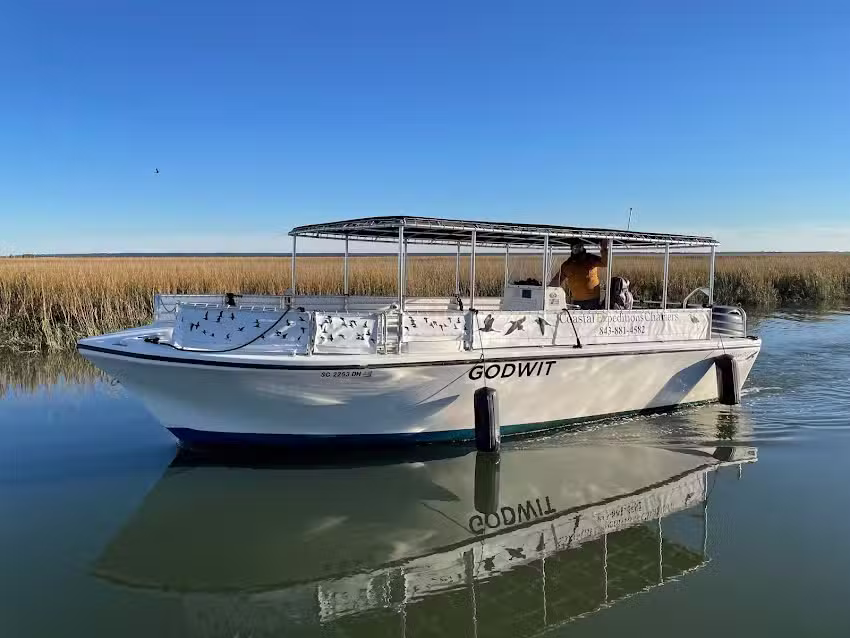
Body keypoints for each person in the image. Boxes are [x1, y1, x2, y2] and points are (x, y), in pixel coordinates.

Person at [549, 241, 609, 309]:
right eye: (574, 248)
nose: (577, 249)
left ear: (582, 248)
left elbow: (605, 263)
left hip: (592, 300)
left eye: (579, 247)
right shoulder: (567, 264)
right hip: (576, 300)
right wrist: (547, 290)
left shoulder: (590, 259)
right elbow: (557, 279)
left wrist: (604, 248)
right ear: (571, 249)